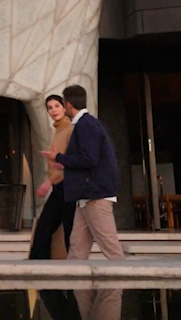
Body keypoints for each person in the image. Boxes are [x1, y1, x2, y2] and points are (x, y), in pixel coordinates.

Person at [43, 83, 124, 261]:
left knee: (110, 247)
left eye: (62, 103)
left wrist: (60, 157)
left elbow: (89, 159)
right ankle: (75, 286)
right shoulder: (89, 124)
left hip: (95, 195)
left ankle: (122, 286)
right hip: (86, 196)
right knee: (77, 247)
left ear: (68, 104)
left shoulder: (85, 125)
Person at [27, 94, 75, 259]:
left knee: (66, 231)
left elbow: (68, 160)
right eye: (49, 107)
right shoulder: (58, 132)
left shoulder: (71, 130)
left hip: (68, 187)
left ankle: (71, 274)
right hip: (58, 187)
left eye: (56, 106)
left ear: (64, 107)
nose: (53, 110)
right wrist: (48, 182)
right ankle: (38, 273)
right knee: (44, 228)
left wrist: (48, 182)